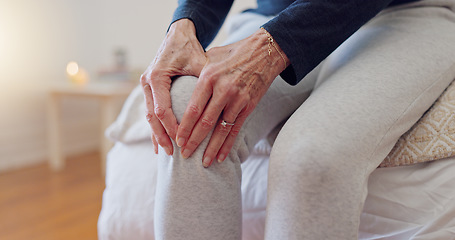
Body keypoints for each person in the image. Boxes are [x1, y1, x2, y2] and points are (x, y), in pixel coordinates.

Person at [139, 0, 455, 239]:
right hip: (275, 14)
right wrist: (185, 24)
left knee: (310, 157)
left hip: (402, 13)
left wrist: (275, 46)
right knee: (188, 114)